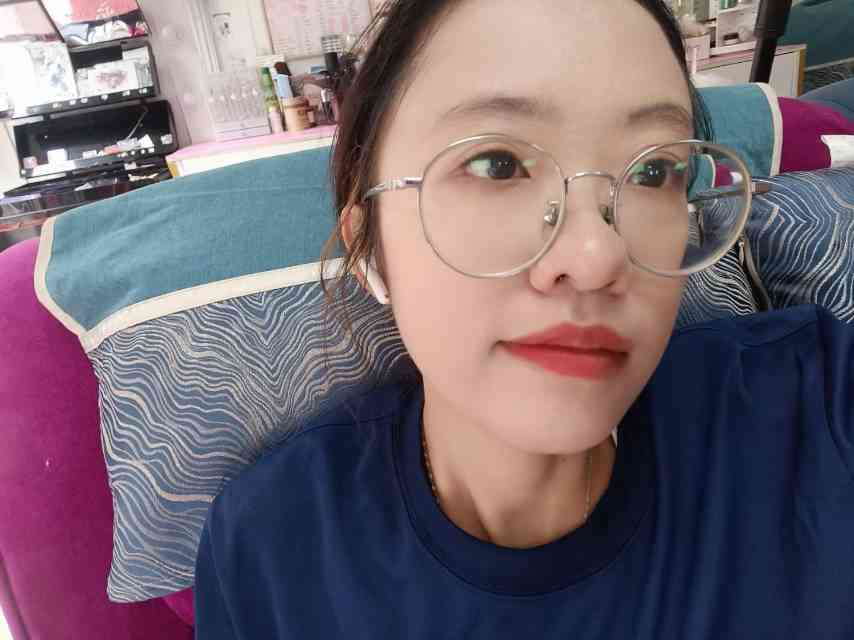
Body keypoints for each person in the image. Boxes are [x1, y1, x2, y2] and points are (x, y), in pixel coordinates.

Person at [193, 1, 854, 637]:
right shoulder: (272, 547)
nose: (596, 257)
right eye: (497, 164)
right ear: (370, 249)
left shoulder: (813, 407)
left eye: (654, 171)